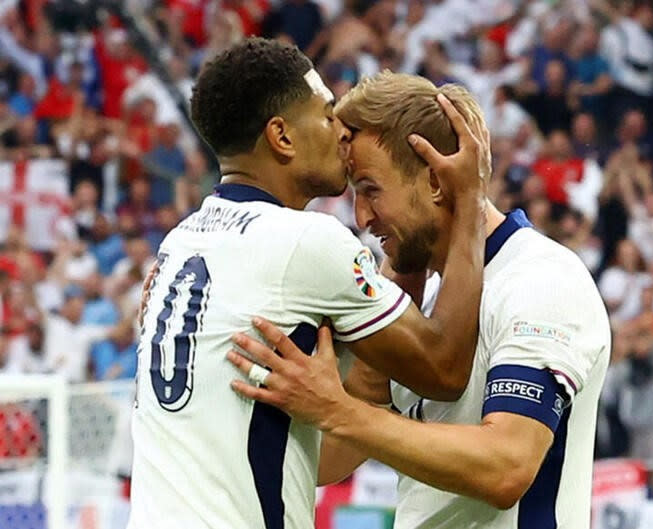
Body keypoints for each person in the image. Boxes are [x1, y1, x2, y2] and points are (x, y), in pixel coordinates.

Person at [128, 39, 489, 529]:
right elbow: (444, 368)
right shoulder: (304, 242)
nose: (341, 131)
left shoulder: (181, 243)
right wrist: (468, 197)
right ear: (282, 136)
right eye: (325, 116)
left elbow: (324, 461)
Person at [227, 72, 611, 529]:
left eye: (370, 189)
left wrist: (338, 409)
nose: (362, 216)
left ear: (434, 179)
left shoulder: (541, 279)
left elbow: (508, 466)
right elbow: (328, 464)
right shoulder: (428, 300)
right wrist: (348, 388)